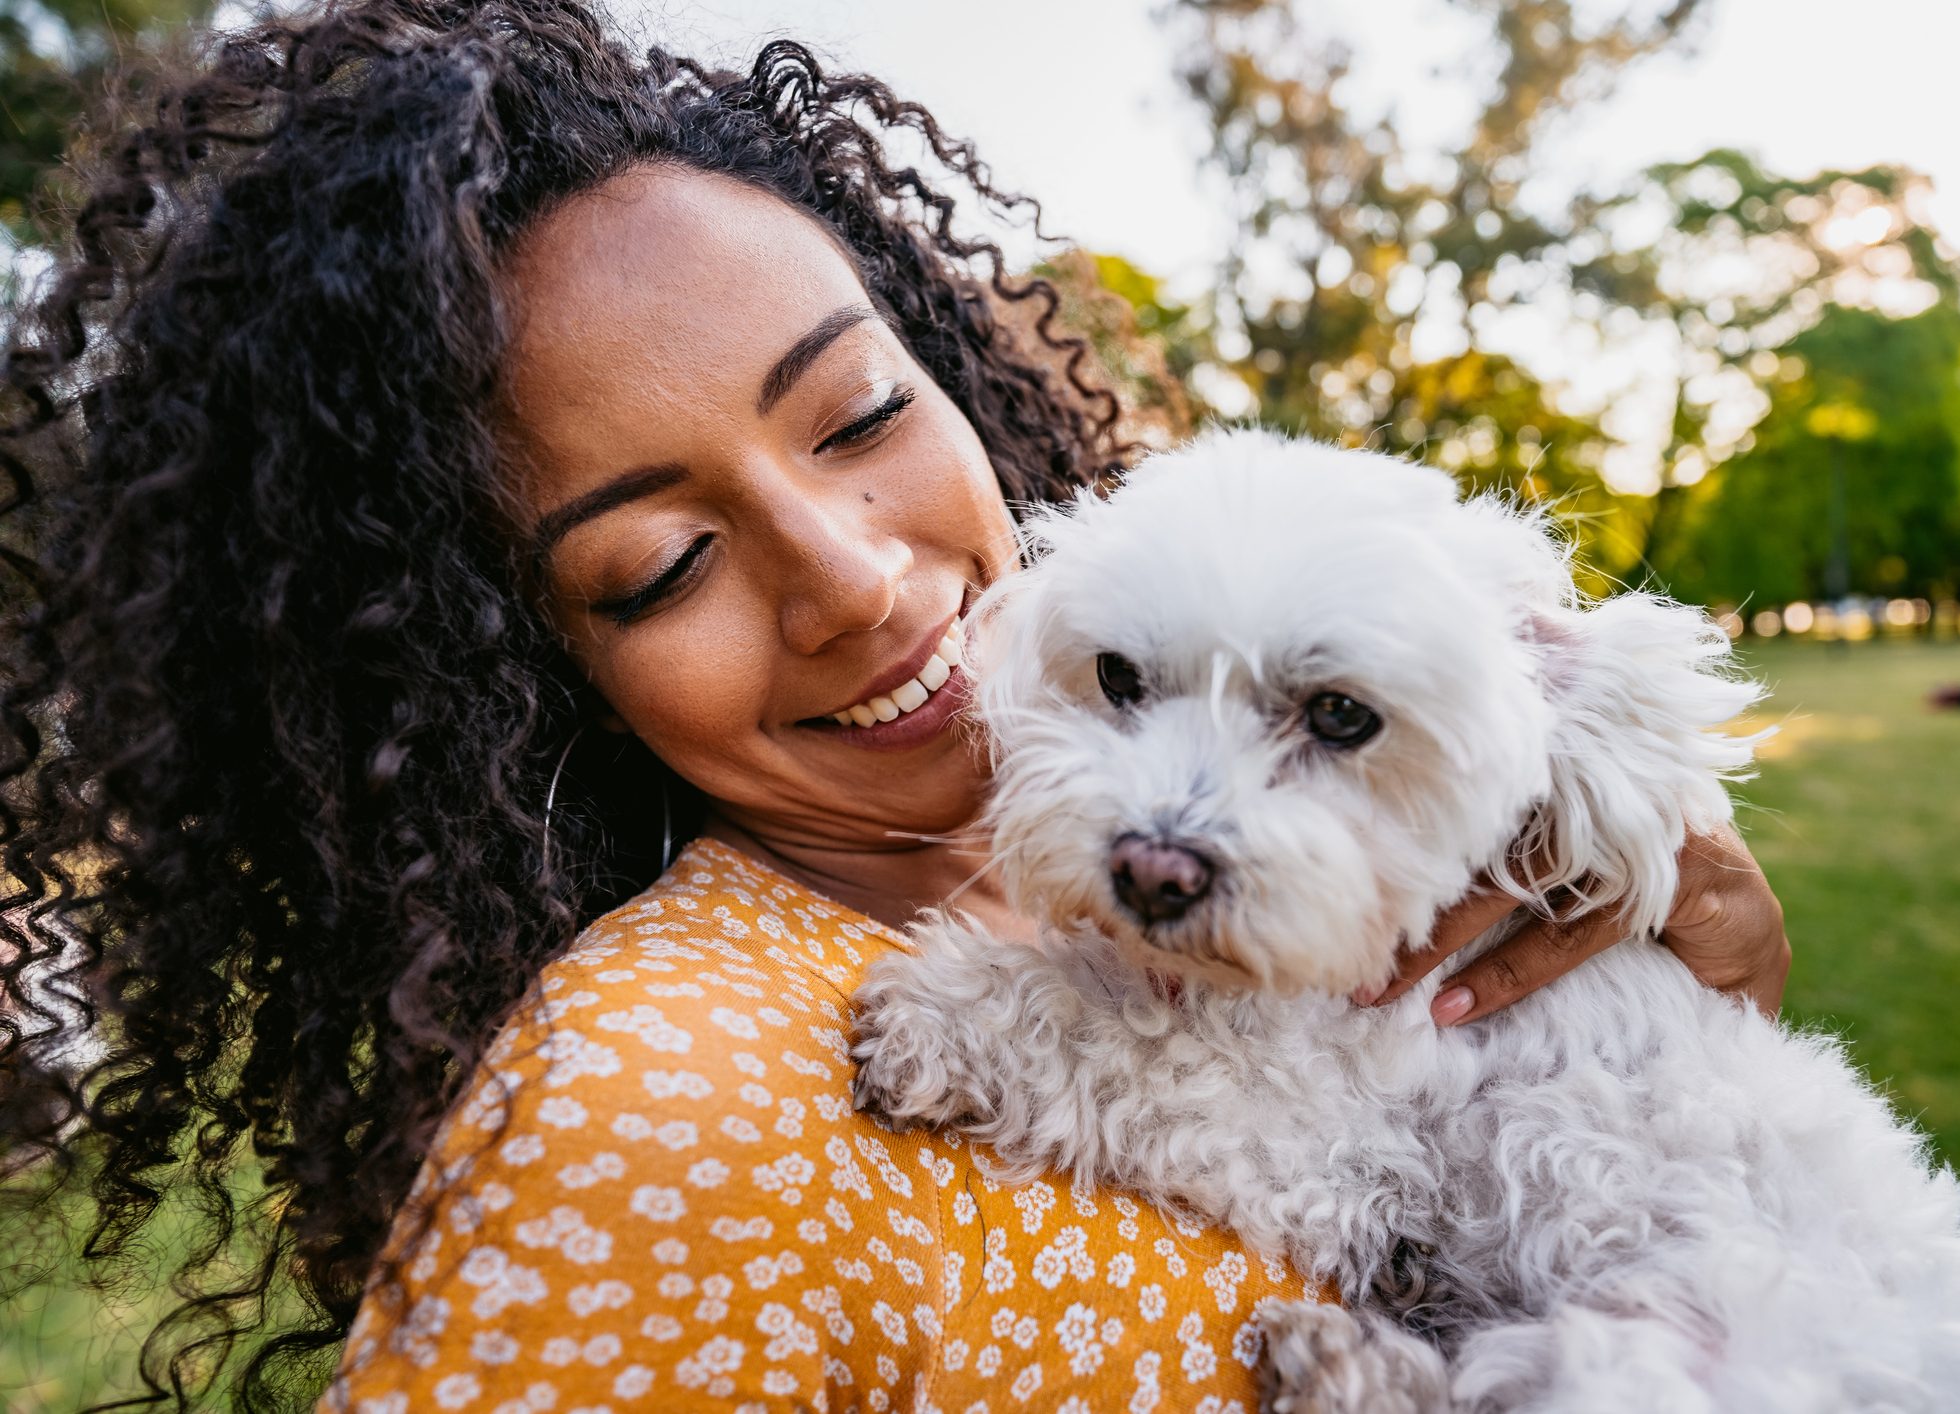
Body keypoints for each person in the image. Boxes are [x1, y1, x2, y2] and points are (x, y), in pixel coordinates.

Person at [0, 2, 1791, 1409]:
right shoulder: (648, 1110)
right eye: (656, 566)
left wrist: (1693, 950)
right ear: (513, 661)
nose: (852, 577)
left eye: (857, 416)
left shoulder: (1192, 827)